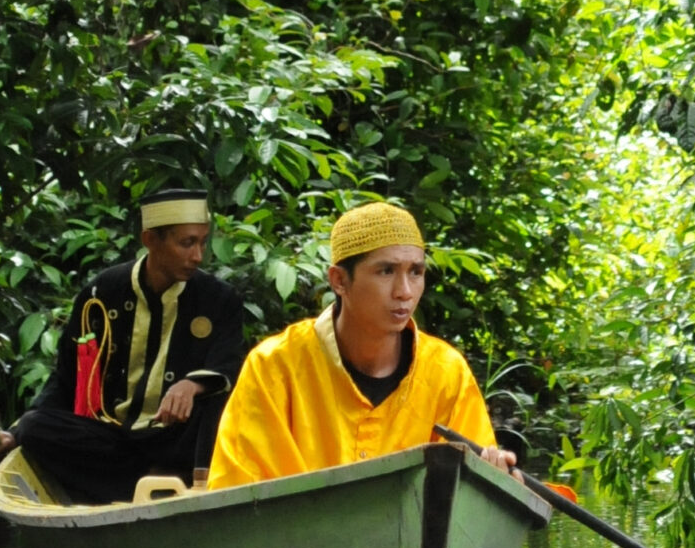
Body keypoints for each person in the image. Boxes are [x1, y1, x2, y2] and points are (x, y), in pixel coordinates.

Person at [206, 201, 514, 489]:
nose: (405, 292)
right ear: (339, 280)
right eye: (386, 271)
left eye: (416, 273)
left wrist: (493, 479)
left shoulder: (446, 372)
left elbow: (464, 496)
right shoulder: (275, 366)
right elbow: (237, 493)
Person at [0, 188, 246, 503]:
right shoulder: (101, 293)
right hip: (115, 440)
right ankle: (144, 485)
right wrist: (15, 432)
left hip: (178, 438)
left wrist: (193, 384)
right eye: (186, 243)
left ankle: (191, 489)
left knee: (219, 397)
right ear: (150, 240)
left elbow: (229, 364)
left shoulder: (219, 299)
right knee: (35, 427)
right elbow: (65, 379)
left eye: (201, 242)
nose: (197, 256)